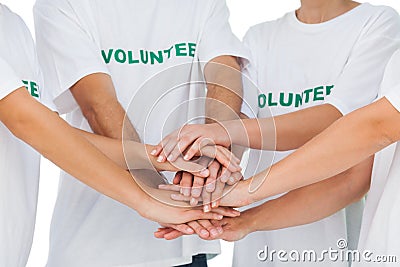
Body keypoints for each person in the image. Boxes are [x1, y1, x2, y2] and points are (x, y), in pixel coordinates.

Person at [154, 1, 400, 265]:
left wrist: (222, 137)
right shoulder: (259, 36)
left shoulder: (378, 22)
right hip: (255, 237)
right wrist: (205, 177)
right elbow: (236, 131)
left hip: (330, 241)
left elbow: (339, 121)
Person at [0, 4, 239, 267]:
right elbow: (63, 113)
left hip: (183, 242)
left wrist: (198, 157)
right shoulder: (60, 6)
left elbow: (54, 130)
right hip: (93, 246)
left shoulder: (13, 26)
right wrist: (154, 194)